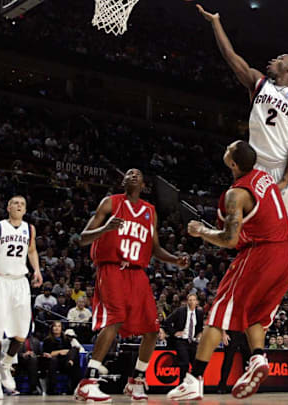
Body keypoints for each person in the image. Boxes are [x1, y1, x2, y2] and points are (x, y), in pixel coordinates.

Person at [197, 5, 288, 305]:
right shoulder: (258, 83)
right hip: (258, 168)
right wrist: (216, 23)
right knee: (254, 227)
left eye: (280, 59)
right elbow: (232, 58)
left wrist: (287, 177)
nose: (274, 60)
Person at [167, 141, 288, 401]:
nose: (225, 148)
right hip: (287, 254)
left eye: (228, 149)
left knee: (218, 316)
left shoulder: (235, 195)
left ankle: (194, 380)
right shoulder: (263, 176)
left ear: (233, 163)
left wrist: (201, 231)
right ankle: (258, 357)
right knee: (254, 315)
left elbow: (229, 239)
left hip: (262, 254)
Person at [74, 168, 189, 402]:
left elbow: (155, 248)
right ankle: (88, 382)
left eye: (138, 173)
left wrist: (175, 259)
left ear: (144, 185)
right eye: (129, 173)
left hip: (138, 273)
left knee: (152, 329)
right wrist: (105, 228)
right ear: (123, 181)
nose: (133, 175)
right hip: (113, 268)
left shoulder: (150, 211)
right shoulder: (110, 203)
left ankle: (136, 381)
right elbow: (83, 237)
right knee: (114, 320)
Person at [0, 195, 44, 400]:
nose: (19, 206)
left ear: (25, 209)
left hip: (20, 281)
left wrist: (37, 270)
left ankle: (6, 364)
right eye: (15, 203)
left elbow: (31, 250)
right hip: (0, 280)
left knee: (23, 330)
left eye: (22, 204)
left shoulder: (29, 229)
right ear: (8, 207)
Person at [162, 293, 204, 385]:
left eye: (194, 300)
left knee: (197, 365)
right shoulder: (180, 311)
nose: (192, 302)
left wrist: (199, 334)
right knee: (184, 363)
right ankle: (181, 385)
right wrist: (174, 333)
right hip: (181, 341)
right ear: (187, 301)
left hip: (193, 341)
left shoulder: (199, 313)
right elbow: (166, 322)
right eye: (190, 300)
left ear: (197, 302)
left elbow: (200, 327)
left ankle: (194, 386)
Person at [42, 321, 79, 395]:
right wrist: (60, 352)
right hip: (54, 362)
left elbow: (69, 351)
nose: (57, 328)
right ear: (52, 328)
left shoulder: (66, 339)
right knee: (54, 360)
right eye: (55, 326)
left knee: (75, 350)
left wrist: (66, 352)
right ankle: (52, 389)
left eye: (59, 326)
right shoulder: (47, 340)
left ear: (61, 328)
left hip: (65, 360)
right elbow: (49, 354)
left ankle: (72, 388)